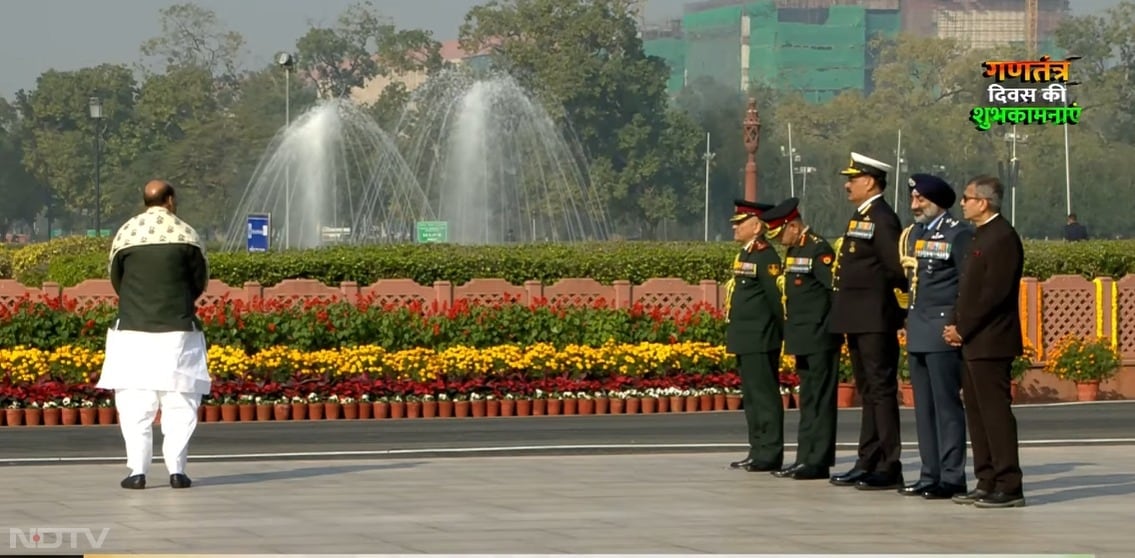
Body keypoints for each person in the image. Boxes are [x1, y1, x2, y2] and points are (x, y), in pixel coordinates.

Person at [96, 180, 211, 490]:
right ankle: (177, 471)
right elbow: (199, 281)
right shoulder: (186, 235)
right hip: (178, 331)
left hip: (132, 331)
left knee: (135, 405)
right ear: (170, 200)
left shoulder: (126, 234)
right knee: (180, 403)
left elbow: (117, 280)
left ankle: (137, 471)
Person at [944, 175, 1026, 509]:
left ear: (983, 202)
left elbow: (994, 294)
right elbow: (966, 287)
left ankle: (1009, 484)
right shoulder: (980, 235)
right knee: (977, 414)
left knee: (995, 414)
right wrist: (954, 323)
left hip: (992, 340)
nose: (962, 203)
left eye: (967, 197)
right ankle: (987, 479)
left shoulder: (1003, 237)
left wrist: (964, 328)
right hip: (973, 340)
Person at [828, 152, 909, 491]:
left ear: (871, 182)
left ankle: (889, 464)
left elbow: (895, 269)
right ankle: (868, 460)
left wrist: (894, 309)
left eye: (853, 179)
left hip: (876, 317)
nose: (848, 185)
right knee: (868, 390)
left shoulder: (882, 218)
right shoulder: (861, 215)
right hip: (858, 317)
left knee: (881, 389)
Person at [899, 174, 973, 500]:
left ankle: (952, 476)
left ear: (938, 202)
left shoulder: (958, 234)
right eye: (913, 199)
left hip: (942, 328)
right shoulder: (915, 234)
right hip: (918, 326)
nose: (915, 205)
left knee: (946, 407)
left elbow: (966, 284)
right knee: (924, 409)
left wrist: (958, 323)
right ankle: (930, 473)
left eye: (921, 200)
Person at [761, 198, 841, 481]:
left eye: (780, 234)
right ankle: (805, 457)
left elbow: (833, 291)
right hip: (802, 334)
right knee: (808, 398)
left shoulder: (818, 249)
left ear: (793, 226)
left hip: (820, 335)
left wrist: (829, 328)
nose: (779, 240)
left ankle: (818, 460)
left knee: (820, 399)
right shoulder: (795, 249)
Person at [724, 199, 786, 472]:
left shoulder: (765, 256)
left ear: (757, 227)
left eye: (741, 223)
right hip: (745, 336)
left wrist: (781, 334)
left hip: (761, 337)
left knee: (764, 397)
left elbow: (776, 300)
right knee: (751, 397)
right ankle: (757, 448)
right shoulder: (746, 254)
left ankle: (770, 452)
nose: (735, 228)